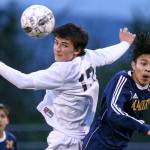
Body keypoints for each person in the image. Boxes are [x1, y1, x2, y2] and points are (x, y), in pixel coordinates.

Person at [0, 23, 135, 150]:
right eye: (56, 42)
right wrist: (125, 43)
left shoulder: (63, 72)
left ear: (77, 50)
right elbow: (107, 55)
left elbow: (23, 81)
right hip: (82, 135)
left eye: (64, 45)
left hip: (66, 140)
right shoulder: (87, 57)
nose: (57, 49)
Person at [83, 32, 150, 150]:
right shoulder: (123, 80)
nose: (147, 69)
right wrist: (143, 127)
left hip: (120, 146)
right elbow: (114, 112)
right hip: (99, 144)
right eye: (143, 63)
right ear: (134, 65)